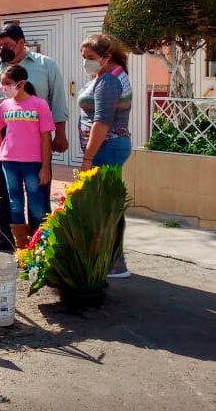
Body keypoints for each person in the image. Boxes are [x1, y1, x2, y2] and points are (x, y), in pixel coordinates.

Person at [0, 23, 68, 250]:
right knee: (6, 190)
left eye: (7, 45)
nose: (2, 50)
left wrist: (60, 134)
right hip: (5, 137)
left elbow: (57, 101)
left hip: (37, 137)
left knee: (38, 190)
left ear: (21, 43)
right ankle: (8, 237)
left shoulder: (46, 65)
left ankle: (40, 240)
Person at [78, 34, 133, 278]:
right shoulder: (106, 76)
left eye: (90, 58)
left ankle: (115, 263)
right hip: (107, 147)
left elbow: (101, 122)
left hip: (106, 148)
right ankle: (111, 260)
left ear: (106, 57)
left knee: (105, 206)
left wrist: (88, 157)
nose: (86, 62)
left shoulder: (109, 82)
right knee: (106, 204)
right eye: (83, 58)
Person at [0, 65, 54, 249]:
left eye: (7, 84)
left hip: (33, 163)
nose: (4, 88)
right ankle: (22, 247)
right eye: (2, 84)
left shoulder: (40, 105)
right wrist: (1, 149)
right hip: (9, 162)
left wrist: (45, 166)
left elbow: (46, 137)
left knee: (36, 203)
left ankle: (40, 245)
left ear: (22, 83)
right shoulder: (5, 105)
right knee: (15, 204)